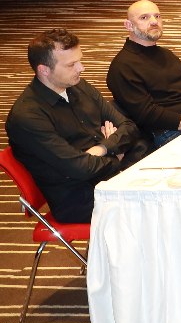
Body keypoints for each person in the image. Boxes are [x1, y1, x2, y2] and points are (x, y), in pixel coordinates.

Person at [6, 29, 148, 223]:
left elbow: (128, 126)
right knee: (161, 206)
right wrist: (117, 156)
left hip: (111, 176)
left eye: (79, 60)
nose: (82, 68)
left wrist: (103, 147)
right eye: (71, 64)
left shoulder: (78, 86)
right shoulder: (27, 117)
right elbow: (80, 168)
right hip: (81, 198)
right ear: (44, 70)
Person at [106, 0, 181, 147]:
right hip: (171, 131)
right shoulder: (122, 66)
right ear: (129, 25)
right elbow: (146, 114)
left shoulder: (166, 54)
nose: (154, 22)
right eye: (144, 17)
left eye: (157, 16)